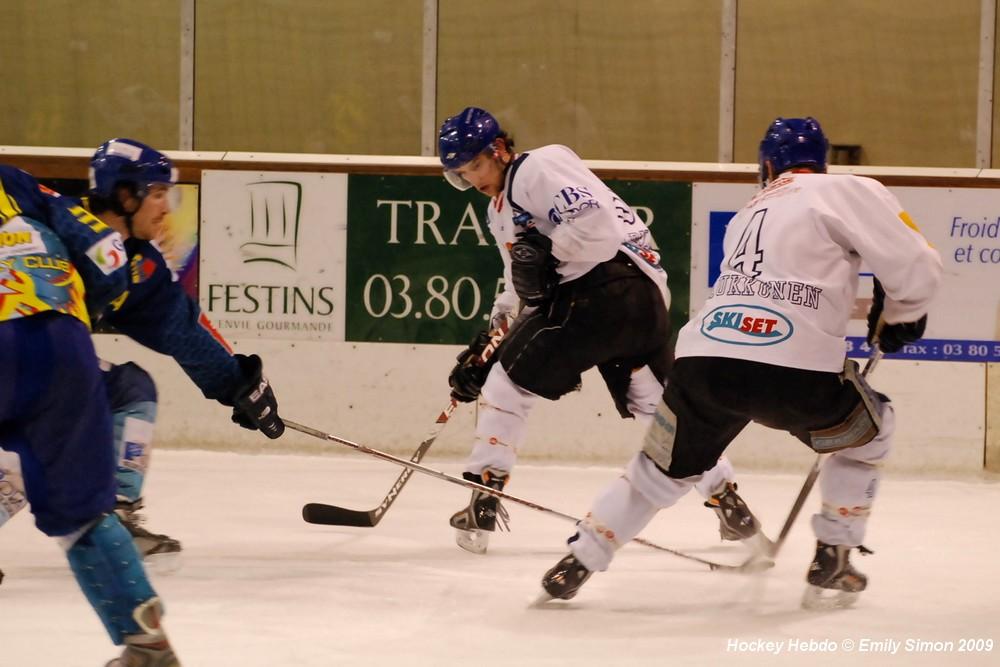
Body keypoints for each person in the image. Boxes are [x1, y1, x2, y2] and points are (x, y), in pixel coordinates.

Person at [538, 117, 943, 608]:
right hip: (793, 369)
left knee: (659, 469)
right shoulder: (847, 189)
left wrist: (895, 305)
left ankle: (579, 558)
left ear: (767, 165)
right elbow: (918, 263)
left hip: (704, 362)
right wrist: (900, 313)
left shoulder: (749, 210)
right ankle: (833, 553)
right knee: (871, 434)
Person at [0, 151, 283, 665]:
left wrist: (235, 382)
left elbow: (178, 325)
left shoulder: (134, 259)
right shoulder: (54, 208)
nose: (166, 207)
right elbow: (105, 261)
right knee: (81, 515)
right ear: (124, 195)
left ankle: (120, 509)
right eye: (156, 194)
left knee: (129, 390)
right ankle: (147, 643)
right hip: (62, 348)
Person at [437, 107, 760, 554]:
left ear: (499, 150)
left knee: (506, 385)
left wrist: (548, 253)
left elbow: (599, 230)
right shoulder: (501, 209)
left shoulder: (537, 168)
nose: (473, 179)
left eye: (475, 165)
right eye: (461, 174)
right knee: (662, 412)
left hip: (605, 289)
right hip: (640, 306)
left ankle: (485, 496)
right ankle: (728, 502)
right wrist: (492, 337)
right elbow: (521, 281)